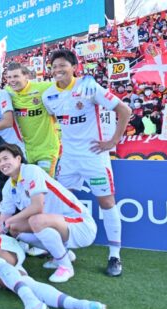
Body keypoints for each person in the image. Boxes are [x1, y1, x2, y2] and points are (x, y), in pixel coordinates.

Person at [41, 50, 131, 277]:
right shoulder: (49, 95)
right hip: (68, 159)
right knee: (59, 203)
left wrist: (113, 141)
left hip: (93, 157)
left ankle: (114, 256)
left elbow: (125, 110)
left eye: (63, 65)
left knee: (106, 202)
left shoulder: (89, 87)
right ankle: (62, 253)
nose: (58, 70)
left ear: (74, 67)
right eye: (54, 67)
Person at [0, 144, 97, 283]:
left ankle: (66, 267)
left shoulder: (31, 171)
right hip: (57, 223)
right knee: (14, 228)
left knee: (35, 220)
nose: (2, 163)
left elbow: (37, 206)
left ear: (18, 159)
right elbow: (4, 217)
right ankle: (62, 254)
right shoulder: (9, 186)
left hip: (81, 225)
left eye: (6, 158)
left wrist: (8, 221)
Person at [4, 63, 60, 176]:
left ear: (26, 76)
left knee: (45, 185)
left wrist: (87, 80)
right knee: (29, 186)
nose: (12, 80)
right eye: (9, 77)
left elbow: (66, 85)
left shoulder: (43, 88)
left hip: (47, 149)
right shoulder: (7, 92)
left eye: (16, 76)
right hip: (25, 151)